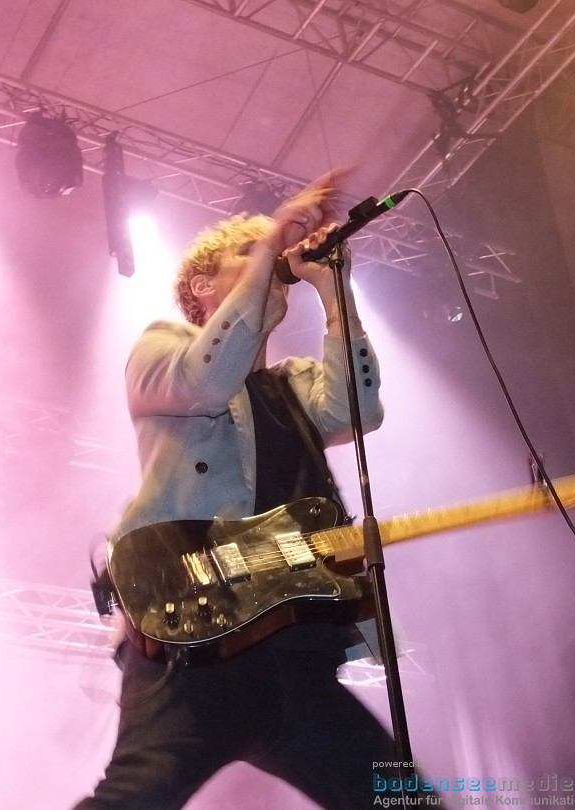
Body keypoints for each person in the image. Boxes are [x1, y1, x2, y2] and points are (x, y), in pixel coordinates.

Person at [74, 174, 409, 809]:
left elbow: (359, 409)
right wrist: (272, 242)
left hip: (294, 650)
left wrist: (334, 292)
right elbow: (208, 381)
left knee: (399, 800)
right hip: (194, 637)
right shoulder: (160, 347)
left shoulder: (292, 384)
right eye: (251, 251)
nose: (273, 259)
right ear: (203, 287)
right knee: (134, 799)